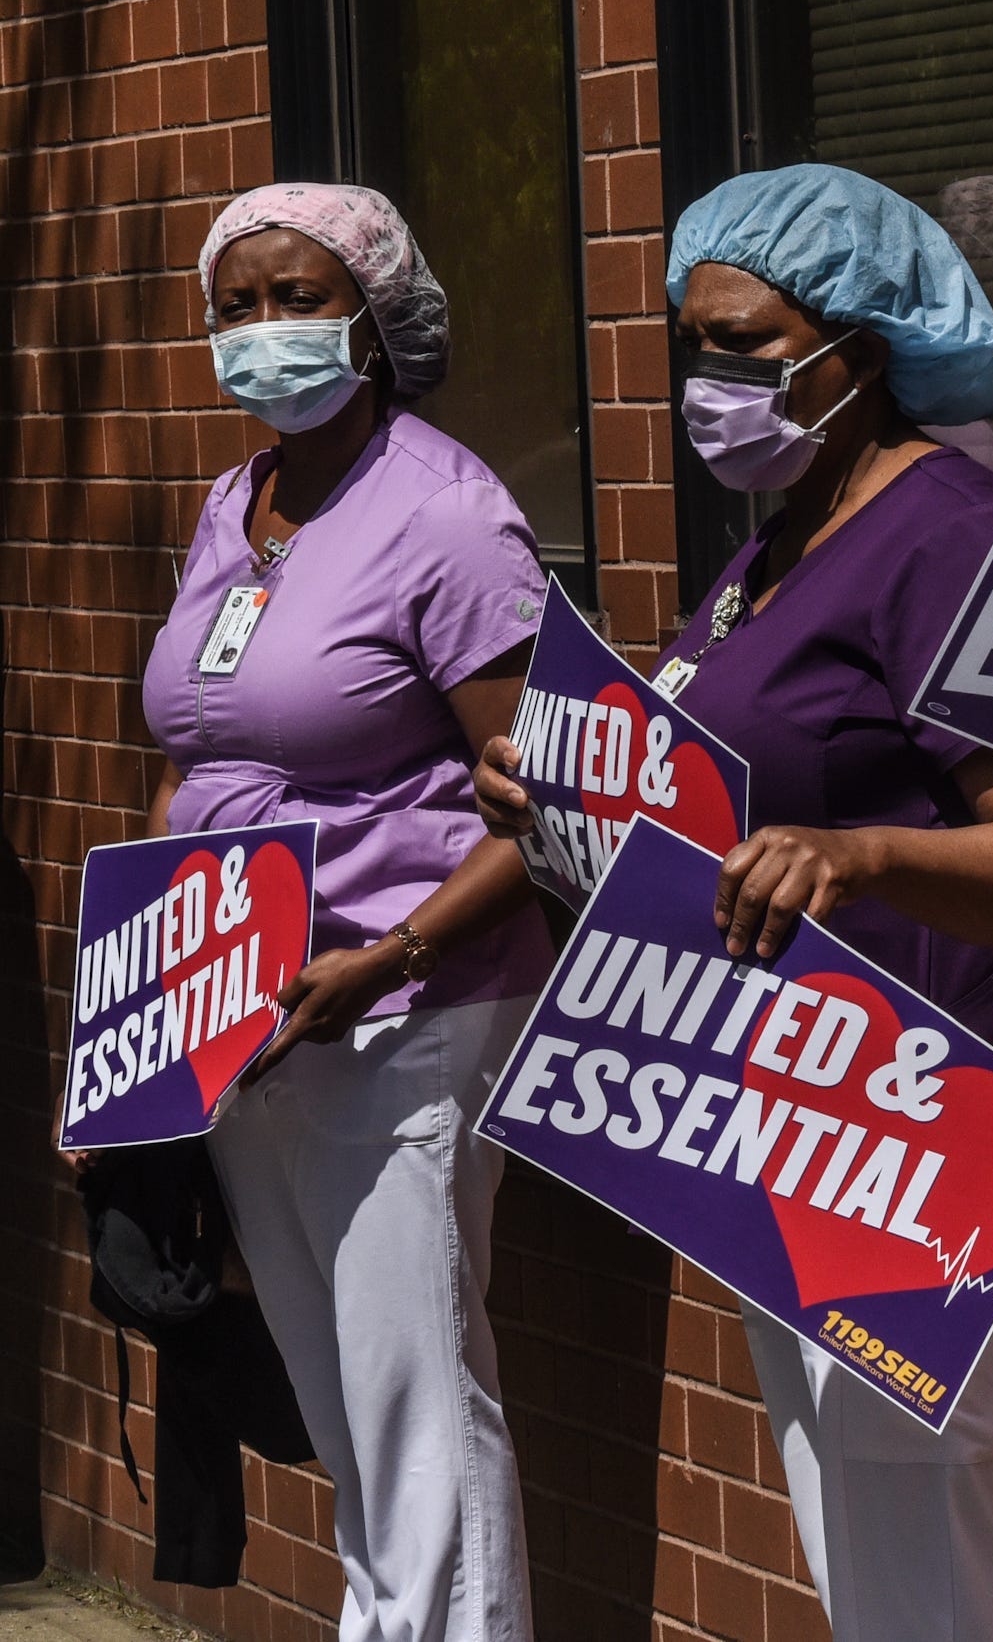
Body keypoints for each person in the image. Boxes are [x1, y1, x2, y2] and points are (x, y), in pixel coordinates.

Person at [473, 163, 993, 1640]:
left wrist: (863, 855)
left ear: (859, 351)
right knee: (855, 1539)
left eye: (746, 344)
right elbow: (722, 786)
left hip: (910, 1120)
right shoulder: (773, 545)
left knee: (926, 1537)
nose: (710, 380)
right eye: (693, 341)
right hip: (771, 1100)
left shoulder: (941, 533)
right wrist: (562, 797)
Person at [141, 183, 552, 1641]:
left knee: (416, 1402)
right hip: (243, 1017)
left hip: (402, 1012)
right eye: (236, 305)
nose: (264, 332)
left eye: (296, 297)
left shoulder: (446, 512)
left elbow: (547, 801)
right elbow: (199, 760)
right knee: (335, 1404)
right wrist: (145, 1012)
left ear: (373, 315)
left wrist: (395, 952)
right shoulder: (230, 503)